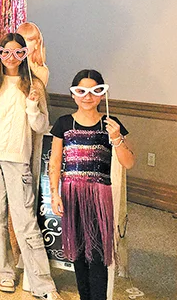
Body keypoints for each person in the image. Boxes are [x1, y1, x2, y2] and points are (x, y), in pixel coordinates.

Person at [0, 33, 62, 300]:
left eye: (18, 52)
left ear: (25, 55)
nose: (11, 58)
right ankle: (4, 272)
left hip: (18, 159)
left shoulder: (34, 85)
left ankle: (43, 283)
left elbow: (41, 127)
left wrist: (32, 106)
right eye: (5, 53)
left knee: (25, 221)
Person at [49, 70, 135, 300]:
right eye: (81, 91)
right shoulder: (64, 123)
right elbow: (55, 161)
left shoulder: (111, 124)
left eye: (94, 91)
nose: (87, 97)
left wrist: (116, 138)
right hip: (71, 193)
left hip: (99, 195)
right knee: (77, 252)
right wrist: (54, 194)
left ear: (102, 95)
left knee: (96, 254)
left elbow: (128, 162)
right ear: (73, 94)